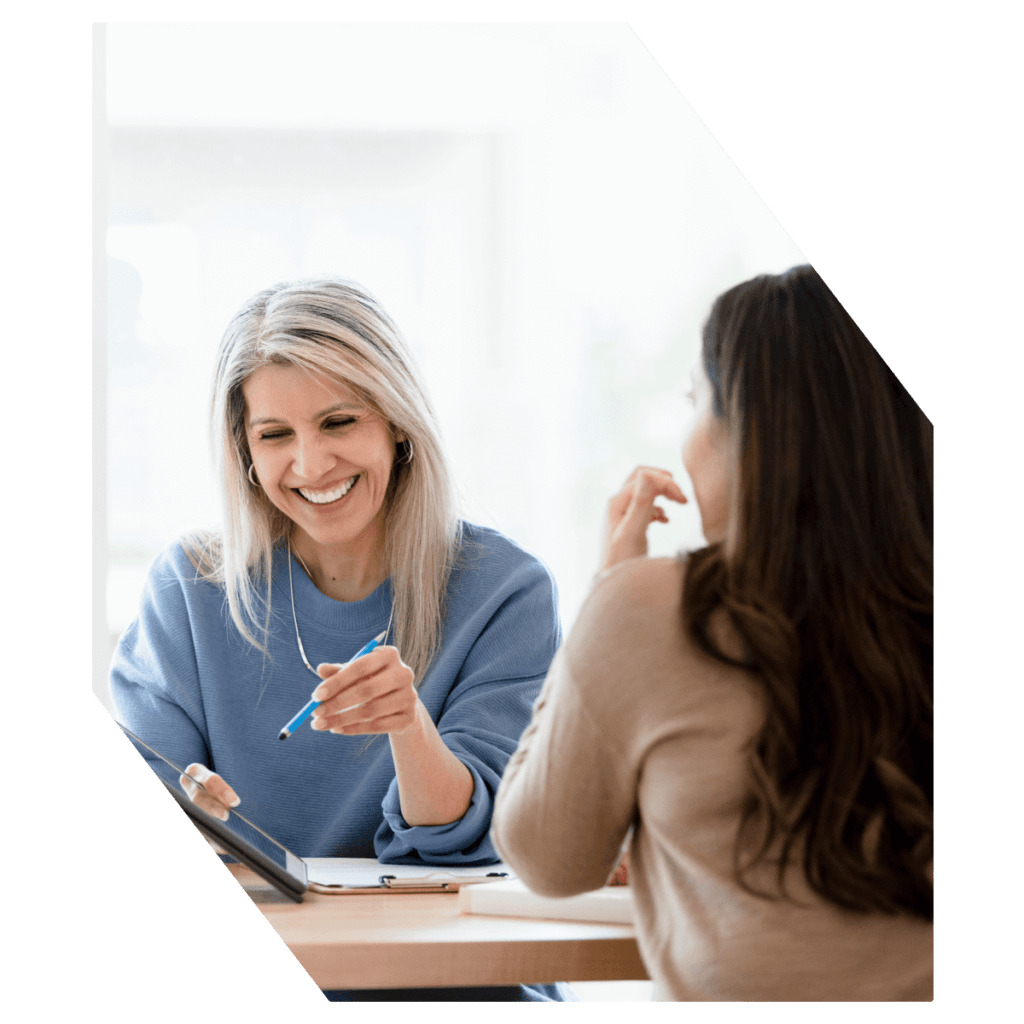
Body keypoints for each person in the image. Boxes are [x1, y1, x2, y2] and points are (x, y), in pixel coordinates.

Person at [111, 278, 573, 1002]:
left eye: (338, 422)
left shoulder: (505, 591)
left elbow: (480, 843)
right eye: (274, 436)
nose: (311, 464)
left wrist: (407, 724)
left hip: (459, 990)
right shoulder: (189, 588)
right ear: (244, 451)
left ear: (395, 420)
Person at [492, 266, 934, 1001]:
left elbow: (548, 858)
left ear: (756, 431)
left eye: (697, 401)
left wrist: (607, 592)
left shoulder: (647, 609)